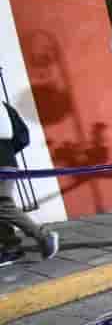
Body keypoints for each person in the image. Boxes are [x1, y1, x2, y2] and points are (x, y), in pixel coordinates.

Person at [0, 101, 59, 265]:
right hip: (6, 161)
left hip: (2, 163)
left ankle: (43, 236)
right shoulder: (3, 106)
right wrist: (7, 152)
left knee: (2, 205)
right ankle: (11, 248)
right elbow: (22, 136)